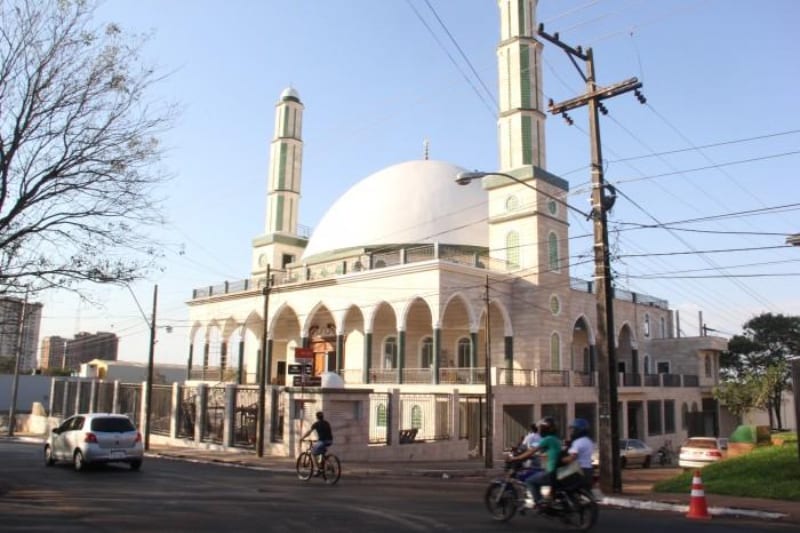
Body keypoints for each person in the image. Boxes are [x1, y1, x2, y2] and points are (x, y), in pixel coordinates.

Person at [510, 417, 562, 507]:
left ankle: (539, 503)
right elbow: (542, 452)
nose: (540, 430)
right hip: (554, 469)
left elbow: (531, 451)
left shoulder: (548, 439)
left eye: (542, 428)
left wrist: (516, 458)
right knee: (537, 473)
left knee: (530, 481)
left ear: (547, 428)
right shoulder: (555, 439)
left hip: (551, 470)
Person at [562, 418, 594, 490]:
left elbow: (572, 457)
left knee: (555, 478)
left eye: (573, 429)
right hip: (588, 470)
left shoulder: (578, 442)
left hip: (577, 470)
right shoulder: (588, 441)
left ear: (579, 430)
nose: (571, 432)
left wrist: (559, 460)